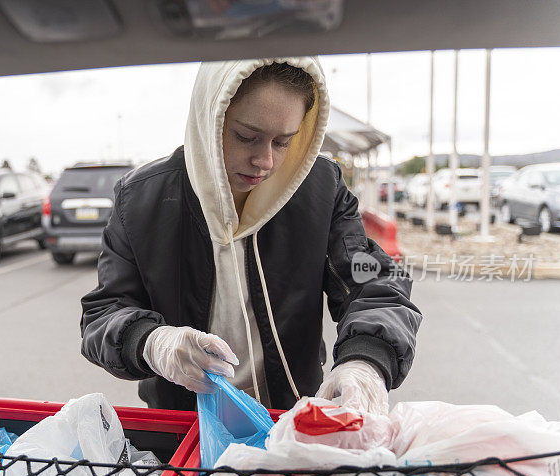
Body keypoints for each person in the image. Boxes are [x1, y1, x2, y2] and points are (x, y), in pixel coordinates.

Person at [80, 57, 421, 414]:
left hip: (291, 421)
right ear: (209, 119)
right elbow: (104, 312)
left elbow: (375, 281)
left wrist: (366, 359)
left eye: (284, 141)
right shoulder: (141, 200)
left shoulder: (319, 188)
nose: (266, 161)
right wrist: (152, 342)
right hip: (183, 428)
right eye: (247, 137)